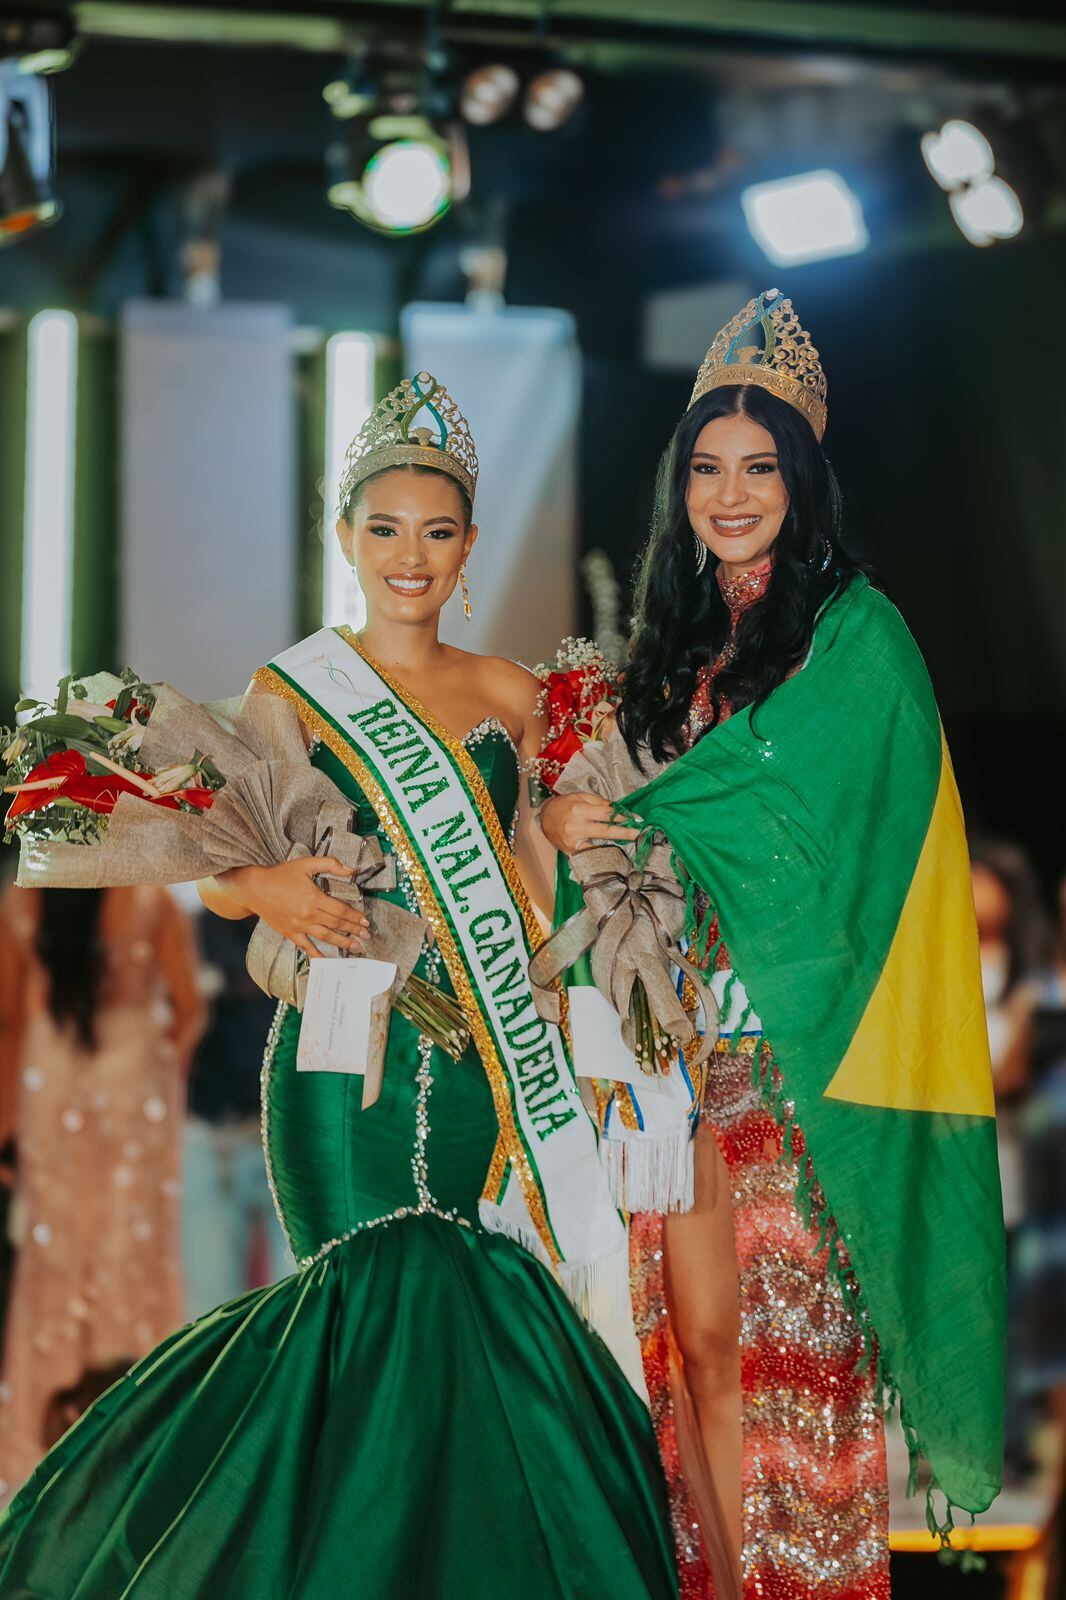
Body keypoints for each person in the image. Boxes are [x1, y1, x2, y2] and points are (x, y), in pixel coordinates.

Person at [0, 374, 677, 1599]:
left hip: (476, 1055)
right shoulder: (295, 690)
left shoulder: (514, 694)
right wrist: (277, 895)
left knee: (476, 1304)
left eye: (434, 531)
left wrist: (577, 835)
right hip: (338, 1059)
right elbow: (222, 870)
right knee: (367, 1302)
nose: (407, 556)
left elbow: (526, 877)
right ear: (346, 539)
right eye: (383, 529)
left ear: (467, 545)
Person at [540, 290, 1005, 1598]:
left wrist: (632, 804)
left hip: (800, 1064)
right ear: (675, 484)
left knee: (785, 1364)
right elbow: (627, 844)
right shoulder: (669, 657)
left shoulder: (856, 639)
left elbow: (799, 820)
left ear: (800, 482)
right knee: (688, 1352)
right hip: (666, 1060)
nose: (728, 492)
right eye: (704, 466)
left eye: (757, 468)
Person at [0, 883, 203, 1500]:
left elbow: (9, 1020)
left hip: (51, 1077)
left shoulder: (22, 904)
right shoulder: (149, 900)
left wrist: (4, 1129)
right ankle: (136, 1460)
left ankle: (42, 1465)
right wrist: (161, 1072)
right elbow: (188, 1009)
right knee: (132, 1263)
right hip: (130, 1088)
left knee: (55, 1263)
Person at [182, 909, 292, 1318]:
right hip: (215, 1137)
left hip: (288, 1139)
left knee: (298, 1306)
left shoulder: (299, 919)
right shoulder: (195, 929)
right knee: (210, 1311)